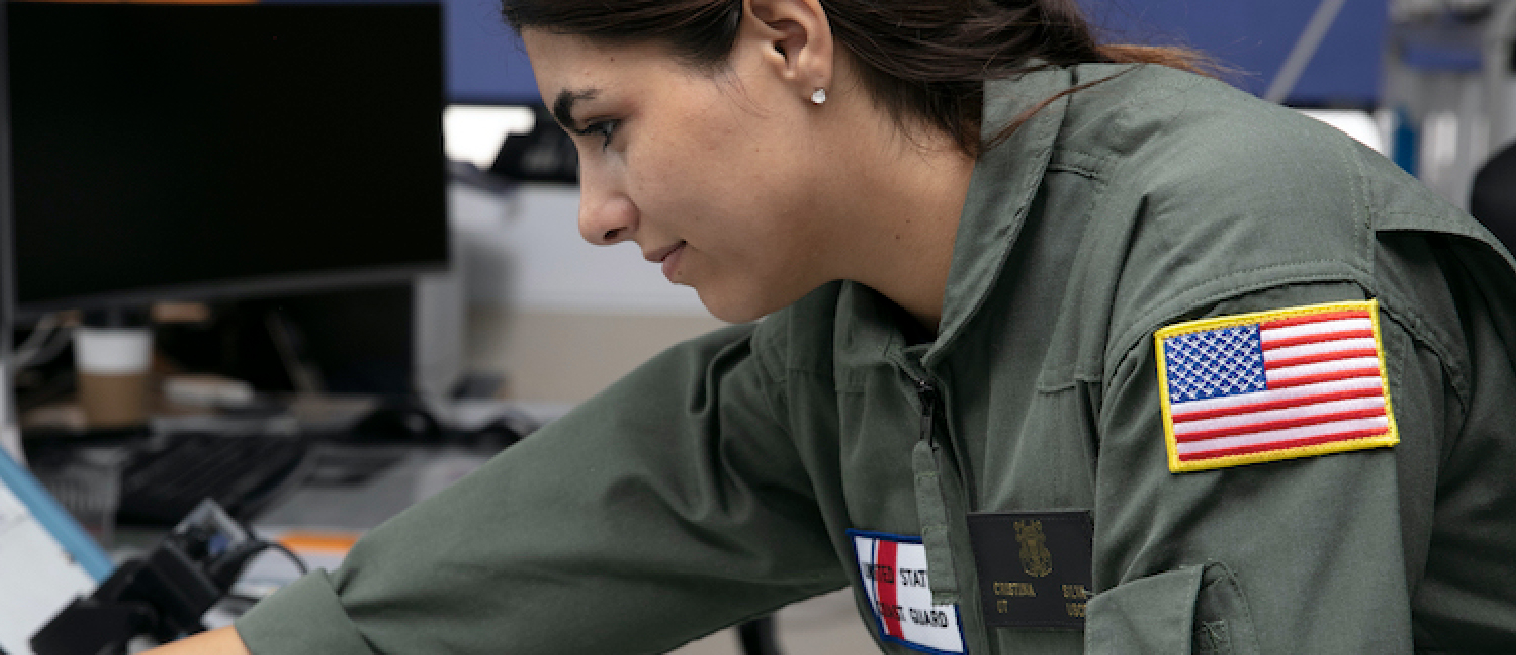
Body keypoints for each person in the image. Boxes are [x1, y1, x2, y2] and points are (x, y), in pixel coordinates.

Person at [153, 0, 1516, 651]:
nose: (595, 214)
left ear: (787, 38)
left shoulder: (1244, 278)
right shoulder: (858, 338)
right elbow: (500, 570)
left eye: (607, 128)